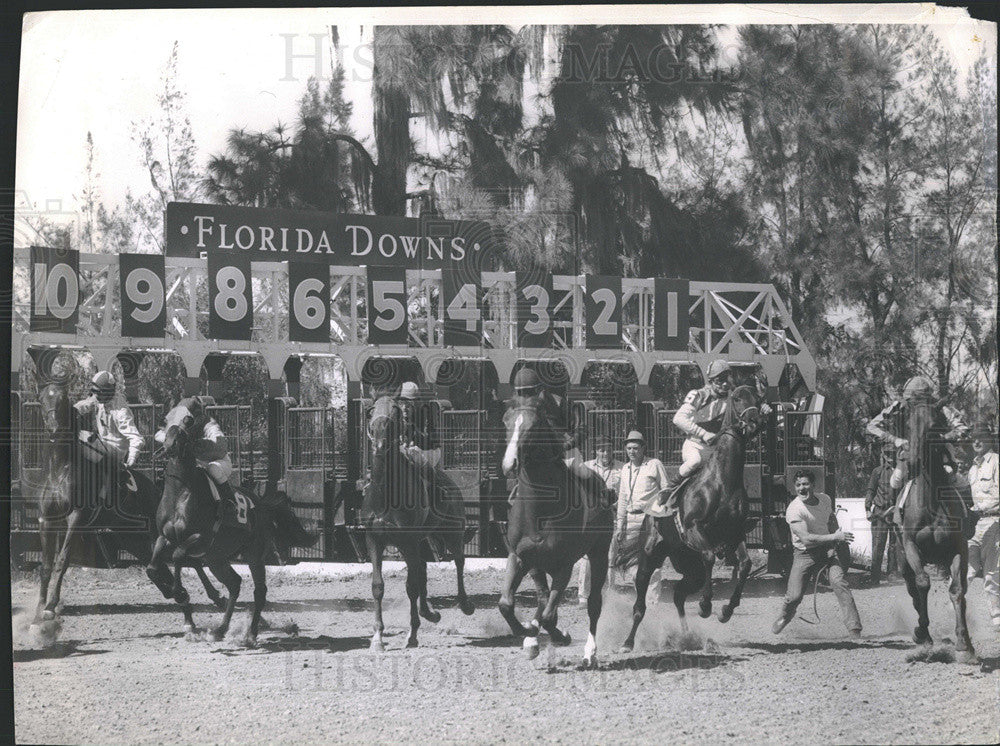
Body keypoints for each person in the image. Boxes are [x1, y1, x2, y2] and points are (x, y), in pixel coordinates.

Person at [772, 469, 863, 638]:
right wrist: (835, 536)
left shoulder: (825, 499)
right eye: (798, 485)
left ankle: (854, 629)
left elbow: (830, 519)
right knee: (794, 596)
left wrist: (836, 539)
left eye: (805, 484)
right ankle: (785, 616)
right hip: (805, 553)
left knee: (839, 582)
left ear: (813, 485)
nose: (802, 488)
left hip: (829, 549)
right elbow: (806, 539)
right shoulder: (795, 509)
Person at [866, 375, 969, 520]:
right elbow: (871, 426)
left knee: (956, 479)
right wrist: (894, 439)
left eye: (920, 401)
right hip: (909, 455)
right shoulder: (897, 407)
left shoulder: (941, 408)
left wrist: (943, 438)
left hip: (939, 456)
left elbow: (962, 428)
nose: (915, 405)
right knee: (896, 479)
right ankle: (894, 512)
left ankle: (967, 515)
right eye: (912, 401)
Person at [155, 397, 238, 526]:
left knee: (213, 469)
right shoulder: (178, 424)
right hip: (194, 463)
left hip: (216, 461)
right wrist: (172, 439)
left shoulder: (209, 424)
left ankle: (230, 502)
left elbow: (220, 445)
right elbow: (159, 435)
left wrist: (195, 445)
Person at [613, 430, 670, 604]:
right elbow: (622, 497)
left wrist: (658, 515)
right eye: (629, 448)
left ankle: (652, 603)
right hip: (630, 519)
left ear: (643, 448)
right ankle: (641, 598)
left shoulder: (654, 464)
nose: (632, 452)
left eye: (636, 448)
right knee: (632, 563)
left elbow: (666, 490)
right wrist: (620, 524)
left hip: (650, 520)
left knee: (651, 561)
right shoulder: (625, 468)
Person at [73, 370, 144, 509]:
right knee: (79, 435)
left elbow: (137, 438)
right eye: (94, 391)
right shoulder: (101, 398)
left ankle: (102, 495)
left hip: (115, 451)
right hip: (101, 445)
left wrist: (130, 461)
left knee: (82, 442)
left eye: (98, 392)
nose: (95, 395)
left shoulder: (121, 412)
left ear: (108, 392)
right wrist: (71, 409)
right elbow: (86, 403)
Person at [576, 436, 625, 603]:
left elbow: (625, 493)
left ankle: (607, 594)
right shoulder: (586, 467)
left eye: (609, 449)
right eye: (602, 449)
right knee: (586, 557)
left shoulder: (622, 468)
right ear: (596, 450)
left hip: (611, 517)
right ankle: (583, 594)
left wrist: (614, 502)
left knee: (610, 556)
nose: (606, 453)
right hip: (589, 519)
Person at [966, 420, 999, 627]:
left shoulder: (996, 462)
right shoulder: (972, 469)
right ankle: (955, 616)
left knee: (991, 573)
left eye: (981, 437)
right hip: (975, 525)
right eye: (973, 438)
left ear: (989, 439)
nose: (976, 441)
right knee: (965, 571)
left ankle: (996, 618)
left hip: (996, 521)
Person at [864, 443, 901, 585]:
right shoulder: (877, 471)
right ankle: (875, 577)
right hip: (880, 512)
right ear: (883, 454)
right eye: (887, 453)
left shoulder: (902, 473)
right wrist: (867, 508)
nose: (889, 456)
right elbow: (870, 490)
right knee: (878, 545)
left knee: (894, 545)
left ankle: (892, 574)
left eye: (892, 453)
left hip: (896, 513)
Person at [396, 381, 442, 471]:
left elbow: (427, 439)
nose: (404, 407)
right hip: (411, 451)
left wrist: (413, 436)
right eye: (401, 403)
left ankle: (432, 480)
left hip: (429, 452)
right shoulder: (398, 415)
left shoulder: (425, 412)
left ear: (415, 403)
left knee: (414, 451)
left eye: (408, 404)